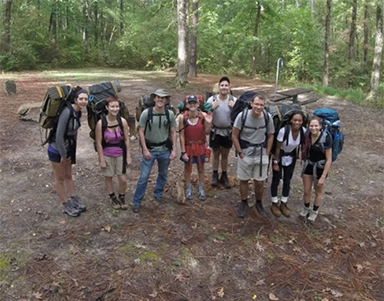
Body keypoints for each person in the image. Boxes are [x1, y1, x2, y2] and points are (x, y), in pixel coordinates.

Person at [132, 89, 177, 213]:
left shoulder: (170, 114)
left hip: (164, 149)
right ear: (154, 99)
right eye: (158, 97)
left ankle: (158, 193)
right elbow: (140, 131)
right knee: (144, 177)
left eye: (163, 98)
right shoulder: (146, 113)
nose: (160, 100)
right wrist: (145, 150)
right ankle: (136, 201)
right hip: (150, 150)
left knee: (163, 174)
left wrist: (174, 150)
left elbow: (173, 131)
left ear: (166, 100)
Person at [232, 94, 274, 218]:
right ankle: (244, 202)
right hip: (245, 153)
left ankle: (259, 203)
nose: (258, 107)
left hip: (261, 154)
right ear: (251, 104)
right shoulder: (242, 116)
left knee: (260, 182)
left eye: (261, 105)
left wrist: (267, 153)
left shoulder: (267, 117)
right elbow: (234, 135)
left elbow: (271, 135)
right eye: (256, 104)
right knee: (243, 180)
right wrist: (240, 153)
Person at [47, 88, 88, 217]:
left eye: (86, 99)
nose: (83, 101)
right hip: (56, 150)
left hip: (67, 149)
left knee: (68, 175)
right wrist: (63, 155)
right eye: (81, 99)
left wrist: (70, 153)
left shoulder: (78, 112)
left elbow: (73, 134)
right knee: (60, 178)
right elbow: (59, 135)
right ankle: (65, 205)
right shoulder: (66, 112)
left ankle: (74, 199)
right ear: (75, 99)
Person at [95, 97, 132, 210]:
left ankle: (121, 196)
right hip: (107, 154)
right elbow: (99, 142)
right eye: (112, 106)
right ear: (107, 107)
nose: (115, 109)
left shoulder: (122, 121)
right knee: (109, 176)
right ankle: (112, 197)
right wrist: (101, 159)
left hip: (121, 153)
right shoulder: (101, 123)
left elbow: (126, 139)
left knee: (123, 179)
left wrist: (129, 156)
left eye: (117, 106)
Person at [270, 111, 307, 217]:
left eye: (299, 120)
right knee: (276, 180)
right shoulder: (284, 131)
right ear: (291, 120)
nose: (297, 122)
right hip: (279, 156)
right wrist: (276, 162)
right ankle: (274, 203)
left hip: (291, 157)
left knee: (287, 180)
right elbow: (277, 148)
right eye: (295, 120)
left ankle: (284, 203)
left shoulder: (303, 131)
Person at [178, 95, 213, 201]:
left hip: (200, 146)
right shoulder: (182, 118)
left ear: (198, 104)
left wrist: (208, 122)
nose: (192, 105)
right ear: (187, 105)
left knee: (201, 168)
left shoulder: (203, 116)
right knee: (187, 168)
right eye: (190, 103)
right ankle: (188, 188)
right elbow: (181, 135)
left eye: (195, 103)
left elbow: (207, 132)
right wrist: (183, 151)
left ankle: (201, 189)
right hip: (188, 146)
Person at [300, 115, 332, 222]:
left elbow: (329, 159)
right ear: (308, 126)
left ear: (320, 126)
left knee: (318, 191)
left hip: (320, 167)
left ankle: (314, 211)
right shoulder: (307, 135)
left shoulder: (325, 138)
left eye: (316, 126)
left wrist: (323, 176)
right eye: (311, 126)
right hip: (309, 165)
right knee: (306, 190)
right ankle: (305, 208)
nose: (313, 128)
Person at [206, 76, 237, 189]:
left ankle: (224, 174)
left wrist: (234, 108)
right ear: (219, 87)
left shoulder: (233, 100)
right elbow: (204, 113)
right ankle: (214, 174)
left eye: (226, 85)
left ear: (229, 87)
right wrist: (211, 108)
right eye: (222, 85)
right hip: (215, 130)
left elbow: (239, 116)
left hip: (228, 132)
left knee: (225, 154)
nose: (224, 87)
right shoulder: (212, 100)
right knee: (215, 153)